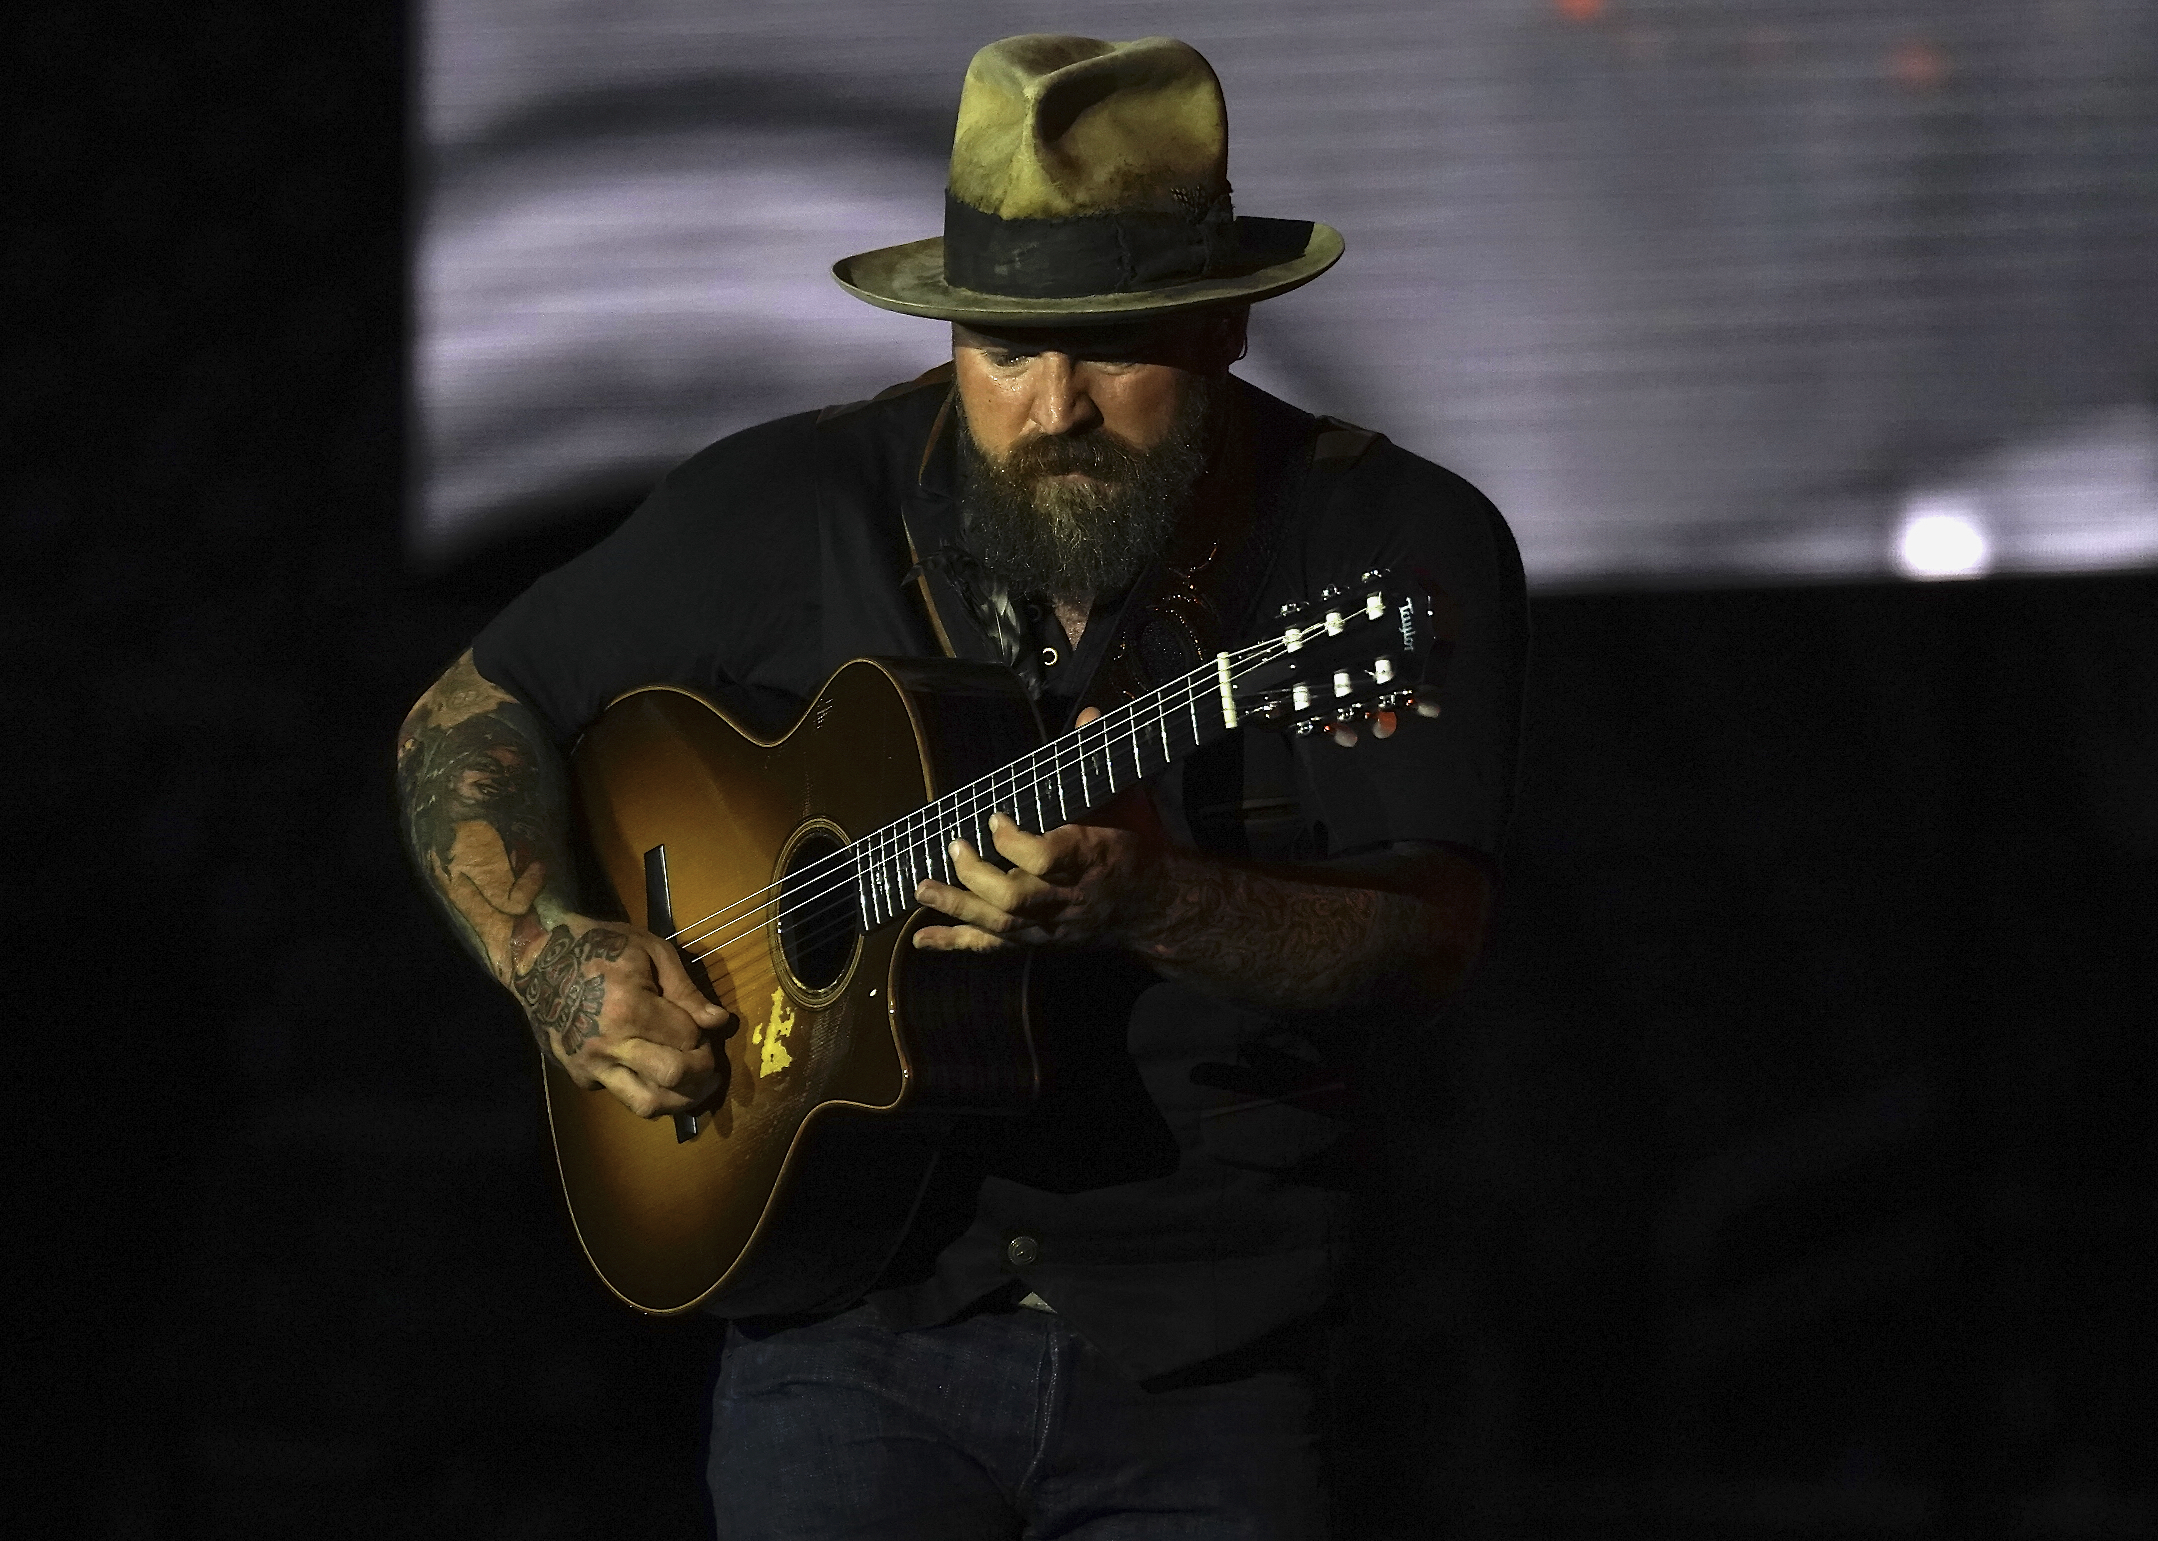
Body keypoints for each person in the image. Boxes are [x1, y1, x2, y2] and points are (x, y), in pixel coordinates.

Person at [397, 33, 1527, 1540]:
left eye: (1110, 349)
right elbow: (471, 708)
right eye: (1001, 348)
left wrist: (1163, 899)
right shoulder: (803, 498)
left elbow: (1427, 936)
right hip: (847, 1322)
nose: (1048, 406)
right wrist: (553, 956)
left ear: (1225, 328)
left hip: (1209, 1352)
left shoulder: (1382, 543)